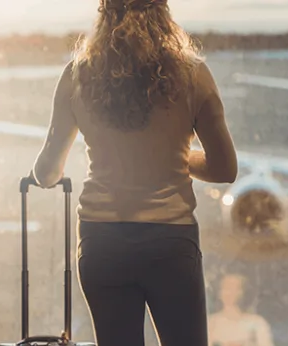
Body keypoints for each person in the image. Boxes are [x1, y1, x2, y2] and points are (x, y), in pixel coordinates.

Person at [28, 0, 238, 344]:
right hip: (169, 240)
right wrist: (171, 156)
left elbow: (48, 172)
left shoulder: (76, 75)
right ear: (163, 13)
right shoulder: (193, 74)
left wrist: (38, 175)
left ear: (104, 14)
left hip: (101, 240)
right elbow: (225, 168)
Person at [207, 274, 274, 346]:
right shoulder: (211, 323)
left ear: (243, 292)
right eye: (226, 288)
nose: (230, 293)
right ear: (219, 293)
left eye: (235, 288)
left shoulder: (257, 322)